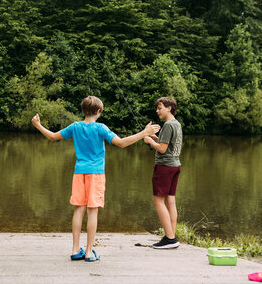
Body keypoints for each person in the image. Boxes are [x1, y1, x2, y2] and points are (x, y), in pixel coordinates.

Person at [32, 96, 160, 262]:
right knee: (92, 211)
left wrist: (38, 125)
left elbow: (52, 137)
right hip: (96, 174)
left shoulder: (75, 126)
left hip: (79, 173)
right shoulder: (100, 128)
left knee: (79, 210)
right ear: (99, 111)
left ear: (83, 110)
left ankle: (75, 249)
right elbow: (121, 143)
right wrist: (144, 133)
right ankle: (89, 252)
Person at [144, 97, 183, 249]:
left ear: (169, 108)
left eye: (160, 108)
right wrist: (153, 137)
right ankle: (171, 234)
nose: (157, 111)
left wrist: (149, 142)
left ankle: (170, 239)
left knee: (158, 201)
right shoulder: (176, 124)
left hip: (164, 167)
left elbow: (162, 148)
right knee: (170, 201)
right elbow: (166, 143)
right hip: (175, 166)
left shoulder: (167, 125)